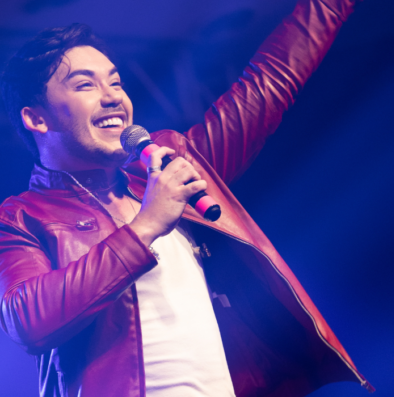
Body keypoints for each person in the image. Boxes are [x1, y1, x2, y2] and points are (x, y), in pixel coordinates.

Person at [0, 0, 374, 396]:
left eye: (115, 81)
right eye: (85, 85)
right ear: (37, 118)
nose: (112, 97)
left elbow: (270, 82)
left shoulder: (169, 168)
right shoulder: (22, 216)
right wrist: (145, 226)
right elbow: (28, 322)